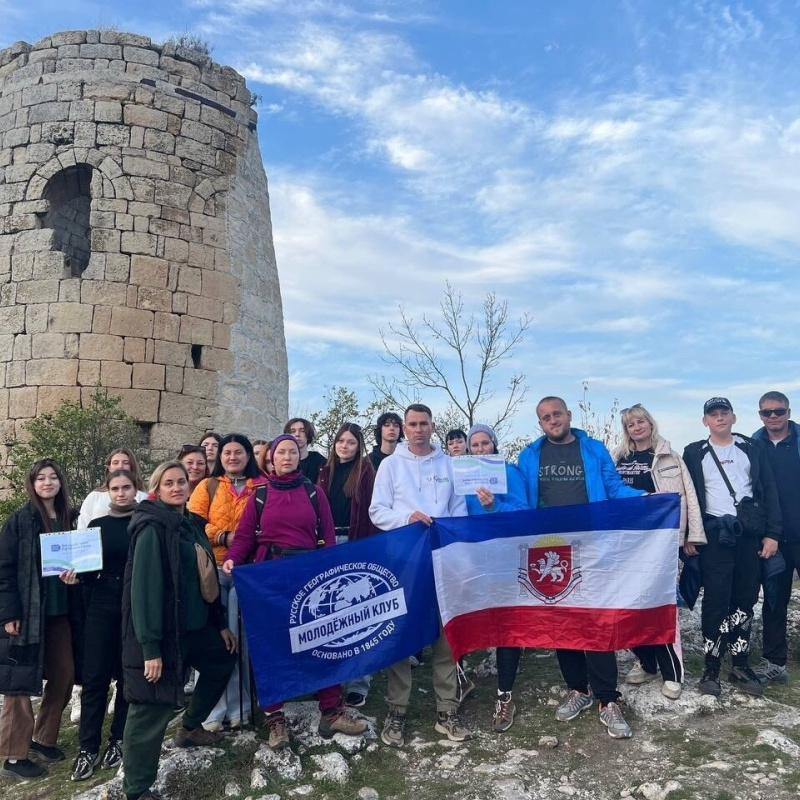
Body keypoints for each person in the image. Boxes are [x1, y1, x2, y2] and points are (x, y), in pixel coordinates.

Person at [222, 435, 368, 750]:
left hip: (308, 576)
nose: (287, 457)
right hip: (270, 578)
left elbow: (327, 539)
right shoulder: (258, 497)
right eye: (280, 453)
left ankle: (330, 709)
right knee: (271, 646)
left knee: (323, 639)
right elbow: (246, 537)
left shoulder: (315, 494)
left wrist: (329, 578)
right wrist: (233, 557)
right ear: (270, 460)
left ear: (299, 457)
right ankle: (276, 720)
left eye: (292, 451)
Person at [517, 396, 643, 739]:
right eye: (545, 417)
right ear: (540, 423)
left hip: (592, 546)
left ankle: (607, 698)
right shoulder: (529, 455)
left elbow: (614, 488)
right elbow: (521, 501)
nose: (552, 420)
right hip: (549, 549)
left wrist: (647, 499)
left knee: (596, 618)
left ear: (568, 415)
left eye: (557, 414)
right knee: (563, 620)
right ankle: (577, 689)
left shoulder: (593, 448)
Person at [121, 461, 236, 800]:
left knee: (221, 662)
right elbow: (143, 591)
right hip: (162, 634)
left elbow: (206, 577)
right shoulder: (151, 527)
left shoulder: (189, 524)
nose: (177, 487)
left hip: (196, 626)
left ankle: (190, 727)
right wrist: (150, 649)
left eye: (181, 481)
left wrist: (220, 624)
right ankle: (137, 788)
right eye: (168, 482)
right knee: (149, 707)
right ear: (157, 488)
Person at [369, 404, 473, 748]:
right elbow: (377, 511)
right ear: (402, 427)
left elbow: (458, 509)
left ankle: (447, 710)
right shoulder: (390, 465)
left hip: (442, 559)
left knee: (445, 635)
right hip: (404, 560)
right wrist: (407, 518)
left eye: (423, 424)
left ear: (432, 426)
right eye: (411, 424)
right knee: (401, 633)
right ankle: (397, 710)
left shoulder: (449, 465)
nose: (417, 429)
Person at [682, 397, 781, 697]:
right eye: (713, 414)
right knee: (715, 600)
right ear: (705, 421)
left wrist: (772, 534)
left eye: (724, 413)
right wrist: (689, 535)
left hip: (749, 535)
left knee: (745, 599)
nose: (720, 418)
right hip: (715, 536)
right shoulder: (694, 452)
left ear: (734, 417)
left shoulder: (752, 448)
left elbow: (769, 490)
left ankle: (740, 663)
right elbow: (687, 497)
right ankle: (711, 667)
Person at [611, 404, 705, 701]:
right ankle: (646, 661)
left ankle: (672, 672)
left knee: (662, 607)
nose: (636, 427)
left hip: (661, 543)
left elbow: (687, 495)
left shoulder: (669, 456)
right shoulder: (617, 458)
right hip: (626, 544)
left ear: (650, 424)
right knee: (626, 605)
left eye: (641, 422)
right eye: (630, 425)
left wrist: (692, 535)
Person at [0, 460, 81, 781]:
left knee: (64, 674)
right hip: (26, 616)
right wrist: (9, 614)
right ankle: (13, 757)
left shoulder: (69, 520)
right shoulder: (19, 521)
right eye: (40, 478)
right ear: (32, 484)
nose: (47, 482)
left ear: (61, 482)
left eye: (53, 477)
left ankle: (42, 737)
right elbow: (4, 569)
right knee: (18, 686)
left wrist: (79, 578)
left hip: (59, 613)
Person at [187, 433, 266, 731]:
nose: (232, 458)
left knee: (241, 640)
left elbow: (266, 525)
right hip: (212, 568)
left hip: (247, 570)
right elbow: (193, 524)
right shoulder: (208, 486)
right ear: (219, 457)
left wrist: (243, 543)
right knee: (216, 642)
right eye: (227, 453)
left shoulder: (262, 486)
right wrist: (222, 537)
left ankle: (241, 705)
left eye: (239, 452)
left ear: (249, 456)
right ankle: (214, 707)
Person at [68, 469, 139, 781]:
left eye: (126, 487)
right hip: (101, 601)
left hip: (134, 603)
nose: (121, 493)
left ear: (135, 490)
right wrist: (73, 575)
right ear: (108, 492)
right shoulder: (97, 525)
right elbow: (86, 570)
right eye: (115, 488)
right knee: (95, 677)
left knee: (126, 675)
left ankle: (120, 739)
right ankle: (88, 746)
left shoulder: (143, 522)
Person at [464, 424, 529, 732]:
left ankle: (505, 695)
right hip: (470, 557)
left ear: (494, 445)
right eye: (474, 445)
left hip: (505, 557)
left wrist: (494, 505)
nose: (479, 450)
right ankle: (459, 683)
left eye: (484, 443)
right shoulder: (461, 475)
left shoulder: (510, 471)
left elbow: (525, 510)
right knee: (465, 619)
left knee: (506, 628)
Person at [317, 423, 378, 708]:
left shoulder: (366, 472)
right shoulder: (323, 473)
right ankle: (331, 681)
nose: (344, 446)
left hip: (355, 543)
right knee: (330, 615)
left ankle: (358, 684)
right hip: (326, 546)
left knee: (358, 617)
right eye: (341, 441)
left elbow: (372, 513)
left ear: (359, 446)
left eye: (351, 442)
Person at [751, 391, 800, 684]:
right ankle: (775, 663)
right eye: (766, 412)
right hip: (774, 539)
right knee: (774, 602)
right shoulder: (754, 446)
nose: (773, 417)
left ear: (788, 412)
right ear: (760, 415)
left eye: (778, 411)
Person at [77, 448, 148, 528]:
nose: (120, 466)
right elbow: (82, 527)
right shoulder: (94, 496)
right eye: (115, 463)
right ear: (109, 467)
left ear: (132, 467)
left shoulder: (144, 498)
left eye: (125, 463)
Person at [284, 418, 326, 483]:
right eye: (293, 431)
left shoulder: (320, 462)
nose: (297, 434)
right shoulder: (283, 461)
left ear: (308, 435)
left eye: (302, 431)